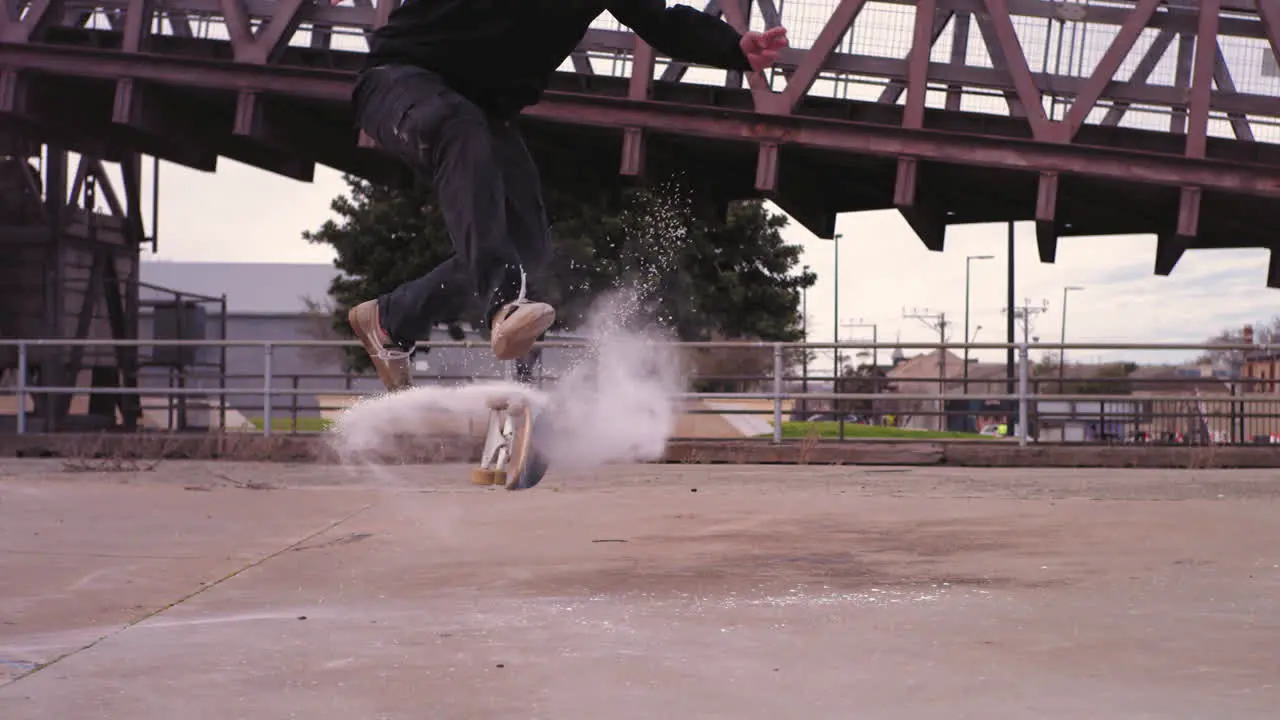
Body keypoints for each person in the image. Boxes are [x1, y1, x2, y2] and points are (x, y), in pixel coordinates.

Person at [346, 0, 788, 392]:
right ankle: (503, 307)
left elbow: (661, 21)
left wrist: (733, 48)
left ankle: (391, 319)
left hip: (485, 114)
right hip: (399, 81)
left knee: (529, 246)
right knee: (457, 125)